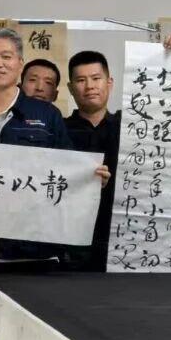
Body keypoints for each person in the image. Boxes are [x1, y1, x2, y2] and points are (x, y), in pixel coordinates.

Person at [0, 28, 109, 273]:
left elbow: (68, 172)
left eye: (6, 56)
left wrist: (90, 180)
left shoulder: (47, 116)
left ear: (20, 64)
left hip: (34, 252)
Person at [62, 50, 119, 271]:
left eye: (96, 78)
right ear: (70, 88)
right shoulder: (59, 129)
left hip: (122, 242)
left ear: (109, 83)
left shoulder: (130, 127)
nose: (90, 86)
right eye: (81, 80)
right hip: (68, 245)